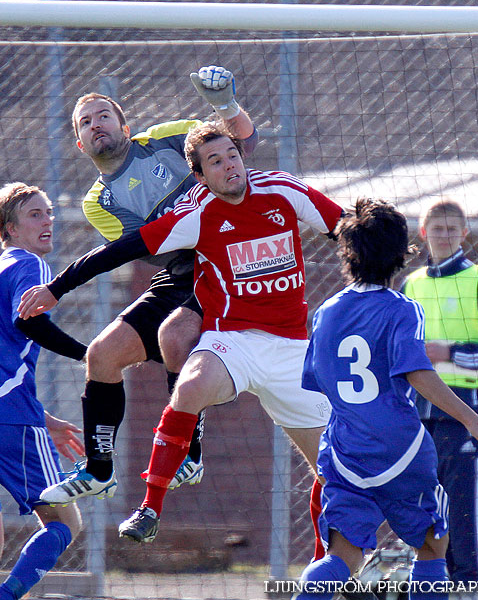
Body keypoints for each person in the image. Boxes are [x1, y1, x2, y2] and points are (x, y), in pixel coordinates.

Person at [17, 119, 343, 545]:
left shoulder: (282, 189)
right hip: (234, 341)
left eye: (232, 156)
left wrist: (379, 239)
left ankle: (331, 565)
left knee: (333, 471)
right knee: (188, 384)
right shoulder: (195, 212)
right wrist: (56, 289)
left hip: (291, 349)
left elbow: (345, 226)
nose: (229, 166)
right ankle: (150, 506)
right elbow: (120, 250)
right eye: (215, 161)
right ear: (200, 176)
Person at [38, 66, 257, 505]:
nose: (95, 124)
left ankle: (188, 454)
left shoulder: (169, 138)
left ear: (125, 126)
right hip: (178, 270)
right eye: (85, 122)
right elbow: (150, 246)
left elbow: (240, 145)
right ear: (80, 145)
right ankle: (99, 470)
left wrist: (226, 106)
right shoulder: (97, 202)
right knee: (101, 355)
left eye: (103, 115)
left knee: (175, 335)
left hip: (224, 262)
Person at [294, 198, 478, 600]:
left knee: (340, 557)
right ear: (400, 255)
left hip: (344, 449)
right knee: (433, 544)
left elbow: (316, 379)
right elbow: (417, 372)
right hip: (401, 448)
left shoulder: (326, 312)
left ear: (347, 253)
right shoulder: (404, 308)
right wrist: (473, 419)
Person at [0, 182, 88, 600]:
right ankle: (5, 598)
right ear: (10, 229)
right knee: (66, 523)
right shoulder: (28, 265)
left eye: (49, 212)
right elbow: (29, 321)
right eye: (36, 214)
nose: (48, 220)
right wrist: (90, 354)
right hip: (5, 417)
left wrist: (44, 418)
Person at [401, 199, 478, 586]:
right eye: (436, 229)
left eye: (451, 229)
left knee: (465, 514)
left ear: (464, 234)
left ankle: (471, 588)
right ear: (423, 233)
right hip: (419, 417)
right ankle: (431, 586)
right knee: (424, 512)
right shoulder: (411, 284)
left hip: (466, 416)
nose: (443, 235)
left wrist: (450, 353)